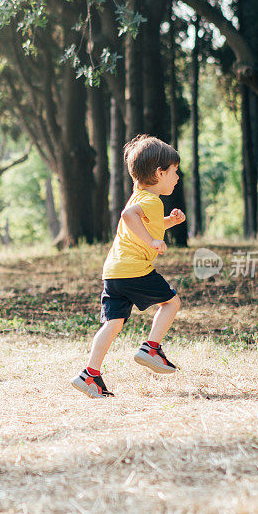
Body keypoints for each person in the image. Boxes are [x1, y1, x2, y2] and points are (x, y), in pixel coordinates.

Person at [72, 135, 186, 398]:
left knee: (113, 323)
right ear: (159, 173)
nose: (177, 177)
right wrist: (152, 240)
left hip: (113, 273)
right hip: (135, 269)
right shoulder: (150, 201)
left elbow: (141, 222)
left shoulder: (140, 196)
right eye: (174, 172)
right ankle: (151, 348)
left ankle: (90, 375)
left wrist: (168, 222)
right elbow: (128, 217)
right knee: (171, 303)